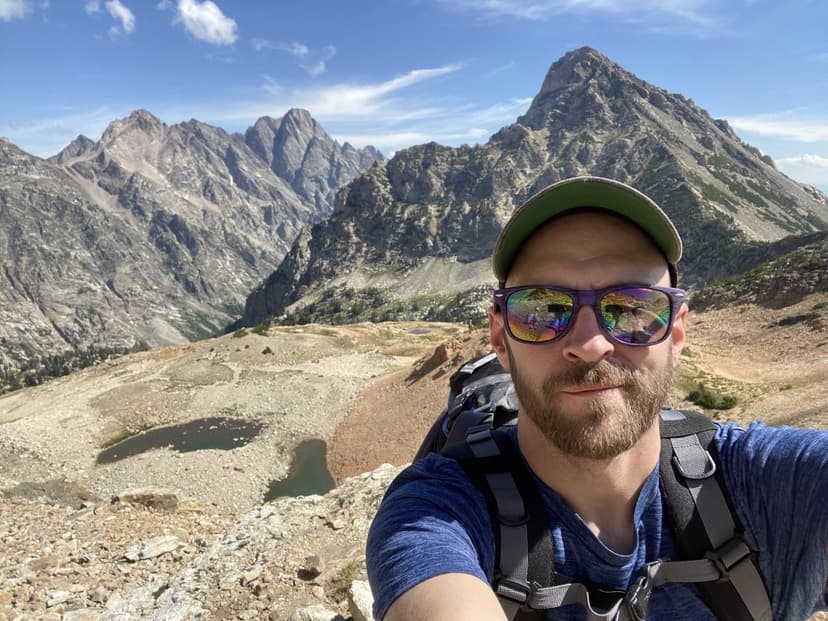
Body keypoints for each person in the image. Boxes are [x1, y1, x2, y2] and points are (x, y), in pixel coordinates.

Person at [366, 176, 828, 620]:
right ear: (500, 338)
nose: (590, 345)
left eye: (631, 308)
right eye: (543, 310)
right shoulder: (437, 511)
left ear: (678, 330)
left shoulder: (767, 486)